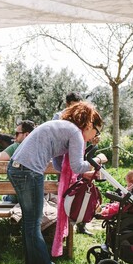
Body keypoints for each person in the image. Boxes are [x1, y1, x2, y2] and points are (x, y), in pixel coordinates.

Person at [7, 102, 106, 264]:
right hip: (28, 171)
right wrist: (97, 160)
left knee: (31, 221)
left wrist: (85, 173)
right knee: (34, 221)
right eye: (96, 132)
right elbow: (77, 166)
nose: (93, 137)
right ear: (89, 125)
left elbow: (61, 166)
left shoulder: (64, 127)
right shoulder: (75, 132)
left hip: (18, 168)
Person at [53, 92, 95, 236]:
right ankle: (66, 226)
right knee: (68, 194)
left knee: (83, 191)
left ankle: (81, 223)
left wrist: (92, 139)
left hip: (78, 161)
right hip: (64, 165)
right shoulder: (59, 116)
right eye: (74, 105)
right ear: (67, 104)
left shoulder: (81, 118)